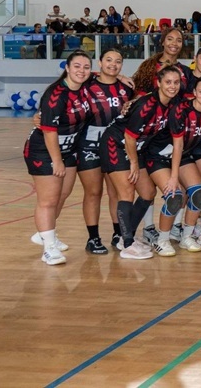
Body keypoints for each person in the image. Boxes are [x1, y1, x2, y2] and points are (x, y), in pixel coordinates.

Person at [102, 65, 183, 260]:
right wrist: (134, 164)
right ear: (159, 83)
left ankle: (125, 235)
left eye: (176, 82)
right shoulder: (146, 105)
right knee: (127, 192)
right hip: (116, 145)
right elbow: (129, 138)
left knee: (147, 193)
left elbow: (178, 141)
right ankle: (128, 245)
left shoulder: (174, 105)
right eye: (168, 82)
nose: (172, 86)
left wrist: (173, 176)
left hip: (135, 150)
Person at [24, 51, 92, 265]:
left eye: (86, 67)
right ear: (67, 68)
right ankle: (48, 248)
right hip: (44, 150)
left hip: (68, 149)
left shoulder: (84, 88)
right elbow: (49, 131)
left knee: (62, 194)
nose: (81, 70)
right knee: (48, 200)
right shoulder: (56, 94)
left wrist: (120, 78)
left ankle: (44, 234)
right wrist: (57, 161)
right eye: (77, 66)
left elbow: (105, 75)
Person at [147, 77, 201, 256]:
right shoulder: (181, 110)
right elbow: (177, 145)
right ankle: (162, 239)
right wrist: (174, 177)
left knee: (199, 193)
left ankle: (187, 236)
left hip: (182, 155)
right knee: (174, 195)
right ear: (194, 93)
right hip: (159, 156)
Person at [76, 48, 134, 253]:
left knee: (116, 192)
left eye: (118, 61)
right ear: (99, 63)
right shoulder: (86, 86)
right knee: (93, 192)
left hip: (114, 146)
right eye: (108, 60)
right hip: (88, 145)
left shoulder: (126, 88)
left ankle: (118, 233)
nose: (113, 64)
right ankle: (93, 238)